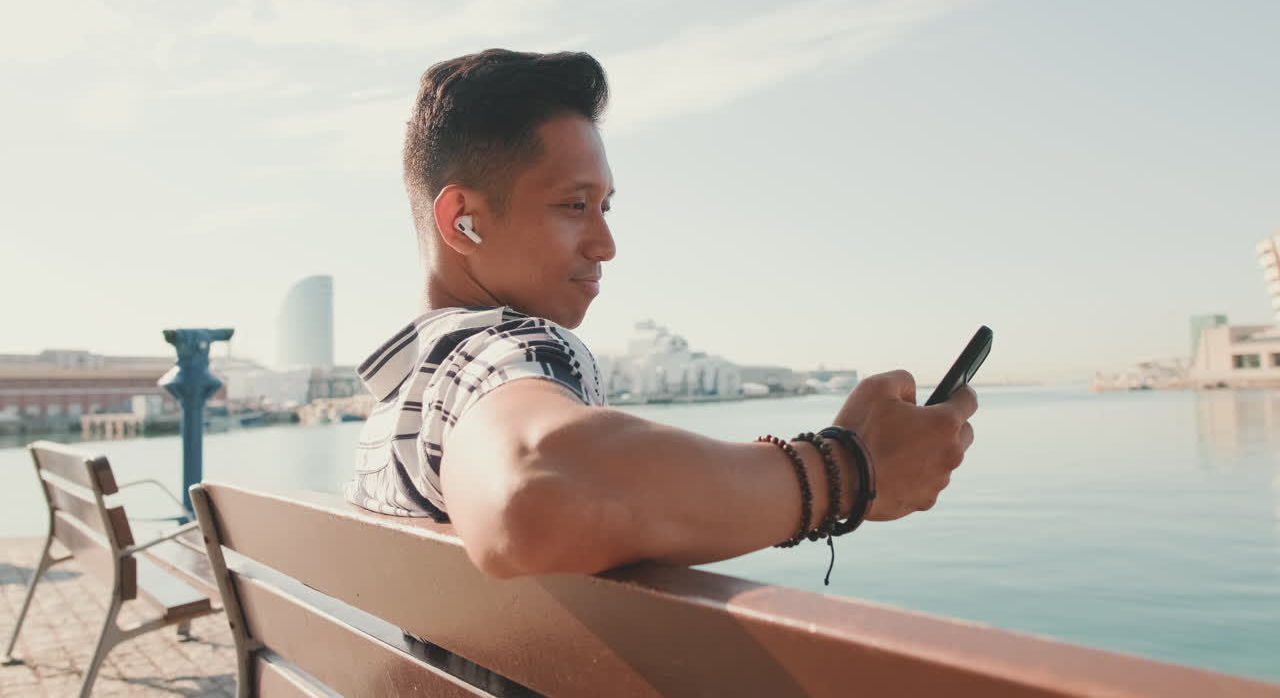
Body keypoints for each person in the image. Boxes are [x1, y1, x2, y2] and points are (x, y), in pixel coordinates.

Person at [345, 49, 978, 582]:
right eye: (573, 205)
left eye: (606, 207)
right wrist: (846, 472)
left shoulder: (399, 398)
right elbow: (535, 492)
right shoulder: (509, 351)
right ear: (464, 219)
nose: (605, 244)